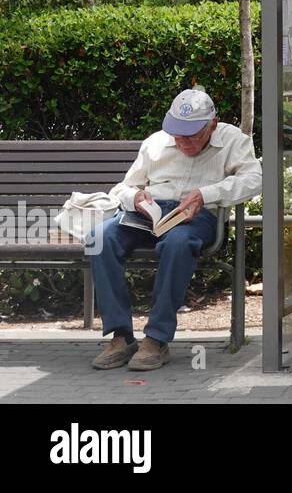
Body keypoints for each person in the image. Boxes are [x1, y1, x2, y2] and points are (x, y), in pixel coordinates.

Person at [87, 87, 261, 371]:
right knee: (99, 237)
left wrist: (206, 194)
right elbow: (123, 187)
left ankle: (156, 339)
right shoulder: (157, 142)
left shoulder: (232, 140)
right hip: (148, 214)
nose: (183, 142)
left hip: (198, 214)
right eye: (178, 134)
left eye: (192, 135)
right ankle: (121, 336)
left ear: (212, 124)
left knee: (177, 244)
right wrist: (136, 198)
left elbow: (254, 180)